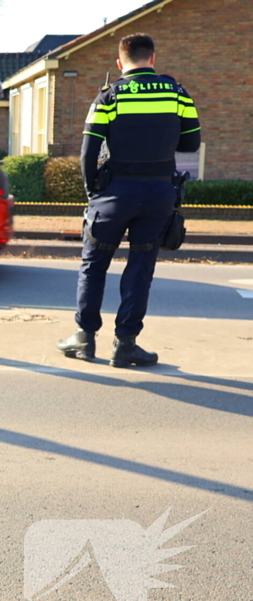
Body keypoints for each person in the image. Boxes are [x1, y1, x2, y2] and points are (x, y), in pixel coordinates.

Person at [56, 33, 200, 367]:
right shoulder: (177, 93)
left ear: (120, 64)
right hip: (158, 194)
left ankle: (84, 338)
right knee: (141, 267)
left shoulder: (109, 96)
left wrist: (93, 193)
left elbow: (88, 151)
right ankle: (126, 344)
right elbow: (191, 144)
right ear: (152, 58)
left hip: (113, 194)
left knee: (94, 265)